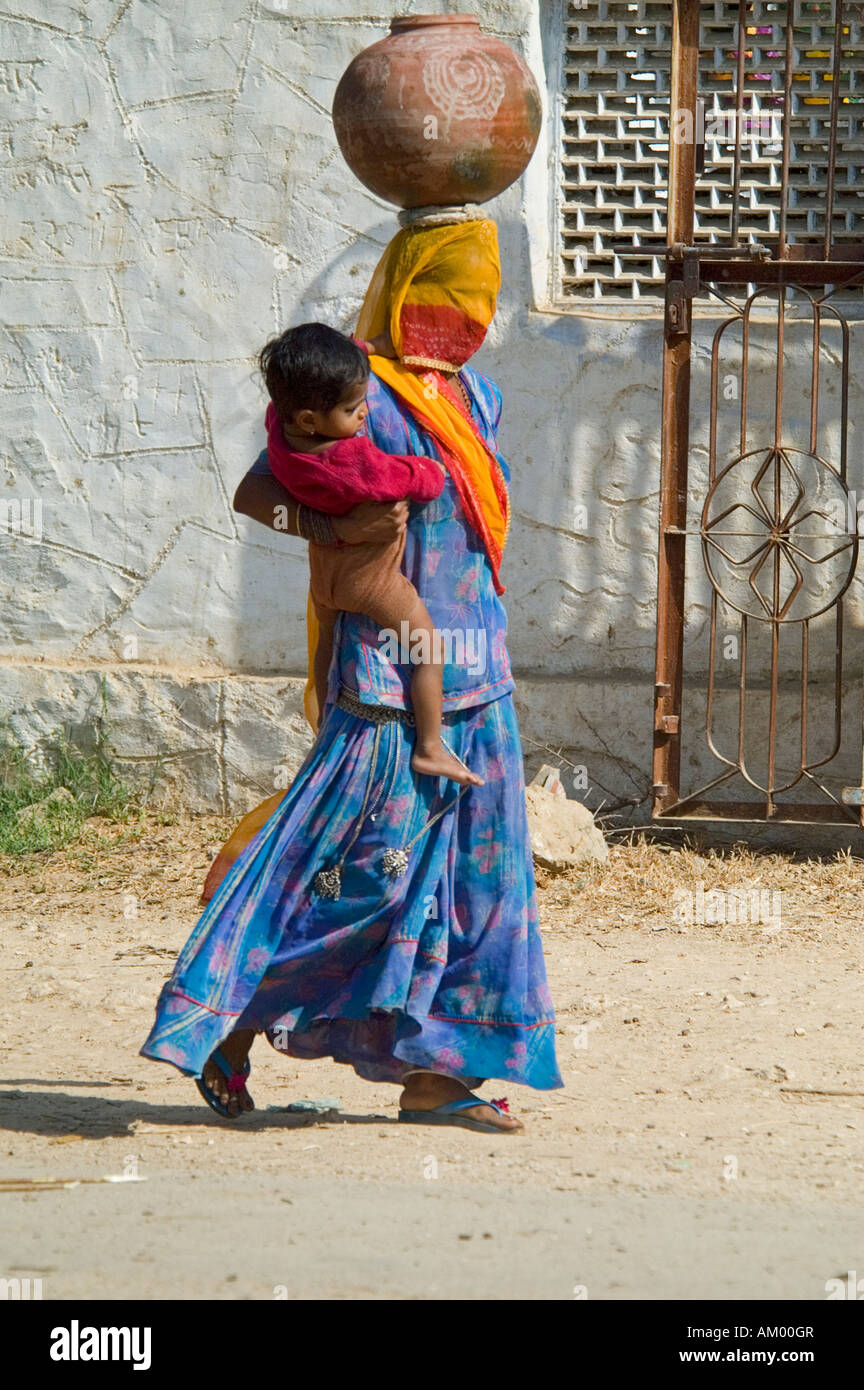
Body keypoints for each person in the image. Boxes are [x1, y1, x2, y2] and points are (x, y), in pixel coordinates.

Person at [141, 214, 562, 1134]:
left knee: (476, 890)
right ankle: (228, 1022)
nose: (466, 312)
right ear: (407, 290)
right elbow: (260, 495)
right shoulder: (354, 388)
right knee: (361, 874)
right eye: (446, 291)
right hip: (386, 680)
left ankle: (438, 1074)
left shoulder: (475, 400)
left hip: (476, 673)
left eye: (480, 296)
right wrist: (324, 533)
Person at [260, 321, 482, 787]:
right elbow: (417, 479)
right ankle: (430, 747)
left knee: (324, 645)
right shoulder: (350, 463)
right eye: (351, 407)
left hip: (325, 573)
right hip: (371, 580)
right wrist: (430, 466)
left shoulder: (279, 430)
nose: (363, 414)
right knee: (427, 648)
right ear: (309, 418)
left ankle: (322, 716)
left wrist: (362, 349)